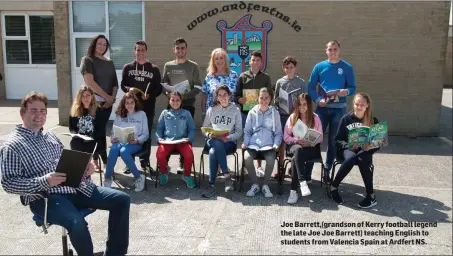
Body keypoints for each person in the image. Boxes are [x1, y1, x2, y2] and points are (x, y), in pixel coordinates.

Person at [0, 92, 131, 256]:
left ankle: (115, 253)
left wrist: (85, 170)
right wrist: (45, 181)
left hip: (74, 187)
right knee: (75, 221)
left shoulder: (50, 136)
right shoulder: (12, 145)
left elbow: (66, 163)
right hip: (45, 197)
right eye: (33, 110)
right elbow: (9, 183)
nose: (39, 115)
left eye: (42, 111)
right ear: (22, 113)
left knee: (122, 200)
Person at [307, 40, 356, 184]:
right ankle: (307, 172)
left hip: (339, 111)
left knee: (334, 142)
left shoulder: (347, 67)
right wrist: (317, 100)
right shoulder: (319, 67)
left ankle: (327, 171)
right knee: (313, 138)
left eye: (335, 49)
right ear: (326, 51)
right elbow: (311, 88)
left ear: (339, 50)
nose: (333, 51)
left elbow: (353, 87)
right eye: (330, 49)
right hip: (322, 109)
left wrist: (345, 91)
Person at [329, 92, 380, 208]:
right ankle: (333, 187)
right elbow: (337, 140)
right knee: (351, 158)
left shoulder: (372, 120)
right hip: (348, 149)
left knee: (363, 158)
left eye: (362, 104)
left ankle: (371, 196)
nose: (359, 107)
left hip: (364, 150)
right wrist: (348, 145)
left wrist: (370, 146)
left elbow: (378, 143)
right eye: (357, 104)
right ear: (353, 104)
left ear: (367, 105)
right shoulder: (346, 119)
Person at [162, 37, 202, 174]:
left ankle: (183, 163)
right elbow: (164, 86)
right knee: (168, 132)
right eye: (178, 48)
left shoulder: (193, 66)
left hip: (188, 106)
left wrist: (183, 96)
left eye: (182, 48)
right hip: (171, 106)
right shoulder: (168, 65)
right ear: (174, 50)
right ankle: (164, 163)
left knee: (187, 133)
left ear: (186, 49)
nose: (180, 50)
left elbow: (198, 87)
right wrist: (169, 94)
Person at [121, 40, 162, 171]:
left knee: (146, 136)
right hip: (131, 109)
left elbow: (159, 88)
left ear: (146, 51)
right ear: (134, 51)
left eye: (142, 50)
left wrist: (150, 95)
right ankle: (129, 162)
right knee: (130, 135)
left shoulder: (154, 69)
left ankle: (145, 162)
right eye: (138, 50)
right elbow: (123, 85)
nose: (140, 53)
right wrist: (129, 90)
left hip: (148, 108)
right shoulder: (128, 67)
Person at [80, 34, 119, 172]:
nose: (102, 46)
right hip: (92, 104)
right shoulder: (88, 60)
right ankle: (100, 161)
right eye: (99, 43)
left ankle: (102, 161)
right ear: (94, 44)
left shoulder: (109, 61)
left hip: (107, 104)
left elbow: (115, 83)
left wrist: (112, 98)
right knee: (96, 132)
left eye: (104, 44)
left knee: (100, 131)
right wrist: (106, 96)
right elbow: (89, 82)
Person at [201, 85, 242, 198]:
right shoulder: (212, 109)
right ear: (217, 97)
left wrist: (228, 138)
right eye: (220, 95)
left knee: (213, 152)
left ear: (229, 95)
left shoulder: (236, 110)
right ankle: (227, 175)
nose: (223, 97)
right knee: (215, 143)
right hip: (212, 139)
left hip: (228, 142)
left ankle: (211, 185)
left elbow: (239, 131)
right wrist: (209, 134)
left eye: (225, 94)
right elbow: (204, 128)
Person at [235, 51, 272, 175]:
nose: (255, 62)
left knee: (259, 138)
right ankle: (244, 165)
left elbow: (270, 95)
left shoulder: (266, 78)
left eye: (257, 60)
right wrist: (239, 99)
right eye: (253, 60)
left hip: (261, 113)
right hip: (246, 113)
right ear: (249, 62)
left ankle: (259, 166)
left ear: (261, 63)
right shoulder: (242, 76)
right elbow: (236, 95)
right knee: (246, 140)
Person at [103, 92, 148, 192]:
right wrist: (113, 138)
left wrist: (137, 140)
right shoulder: (119, 115)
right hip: (120, 141)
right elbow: (113, 132)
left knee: (124, 151)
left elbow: (145, 134)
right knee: (113, 150)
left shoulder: (141, 114)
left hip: (135, 143)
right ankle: (107, 178)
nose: (130, 105)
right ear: (124, 104)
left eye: (132, 102)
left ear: (135, 102)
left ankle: (139, 177)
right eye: (127, 103)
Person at [283, 93, 323, 204]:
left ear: (309, 105)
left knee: (296, 159)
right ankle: (302, 181)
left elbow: (320, 137)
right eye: (299, 104)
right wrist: (296, 140)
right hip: (295, 146)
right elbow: (286, 137)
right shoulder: (292, 117)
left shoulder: (315, 118)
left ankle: (293, 191)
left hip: (310, 148)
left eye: (305, 104)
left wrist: (310, 142)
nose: (302, 107)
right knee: (298, 151)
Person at [242, 88, 282, 198]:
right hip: (253, 144)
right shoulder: (252, 112)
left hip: (269, 145)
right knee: (247, 158)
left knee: (270, 159)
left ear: (270, 99)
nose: (263, 100)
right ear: (257, 98)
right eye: (261, 98)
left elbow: (278, 133)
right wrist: (245, 142)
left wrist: (276, 144)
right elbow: (247, 131)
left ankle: (265, 185)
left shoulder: (275, 113)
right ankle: (255, 184)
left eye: (266, 98)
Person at [273, 56, 307, 177]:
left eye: (291, 67)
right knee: (282, 142)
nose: (289, 70)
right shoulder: (280, 82)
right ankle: (281, 166)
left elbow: (305, 100)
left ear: (295, 68)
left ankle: (293, 167)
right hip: (282, 115)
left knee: (294, 140)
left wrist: (297, 107)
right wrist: (280, 101)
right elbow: (275, 99)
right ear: (283, 68)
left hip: (296, 116)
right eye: (287, 68)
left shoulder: (301, 82)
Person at [155, 92, 196, 188]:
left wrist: (189, 139)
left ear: (181, 101)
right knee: (160, 154)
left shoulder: (186, 113)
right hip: (167, 141)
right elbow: (159, 129)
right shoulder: (165, 113)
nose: (175, 102)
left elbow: (192, 129)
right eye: (172, 100)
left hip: (182, 141)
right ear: (169, 101)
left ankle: (186, 175)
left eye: (177, 100)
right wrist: (159, 138)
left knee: (189, 154)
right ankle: (164, 172)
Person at [201, 48, 239, 114]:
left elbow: (238, 94)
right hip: (212, 114)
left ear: (225, 59)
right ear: (213, 62)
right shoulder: (209, 76)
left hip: (230, 114)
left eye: (221, 58)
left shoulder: (234, 75)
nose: (219, 61)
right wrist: (203, 113)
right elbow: (204, 96)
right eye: (216, 59)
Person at [69, 85, 102, 154]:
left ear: (92, 96)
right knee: (76, 144)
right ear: (80, 98)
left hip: (92, 139)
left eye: (88, 95)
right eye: (83, 96)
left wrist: (91, 136)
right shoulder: (75, 110)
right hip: (78, 139)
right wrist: (77, 135)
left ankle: (86, 163)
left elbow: (100, 130)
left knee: (88, 148)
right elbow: (72, 128)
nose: (85, 98)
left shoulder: (98, 110)